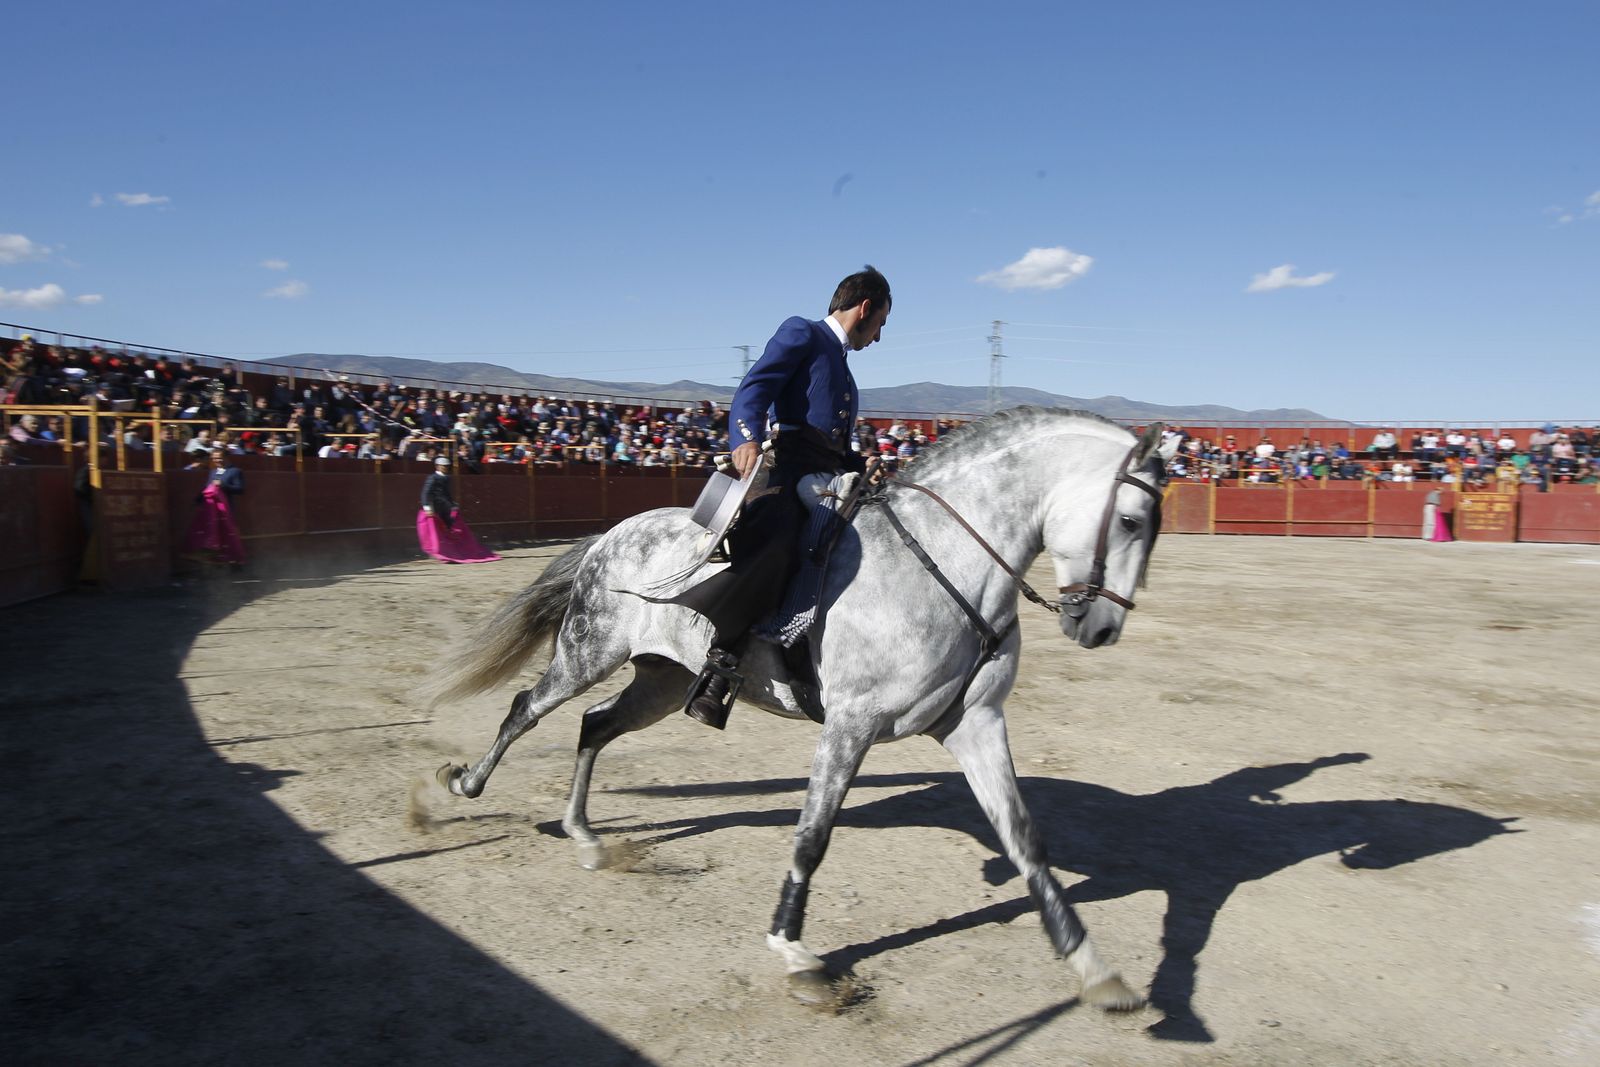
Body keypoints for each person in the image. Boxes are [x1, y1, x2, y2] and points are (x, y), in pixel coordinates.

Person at [674, 266, 890, 730]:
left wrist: (861, 462)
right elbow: (755, 387)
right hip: (786, 468)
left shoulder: (843, 369)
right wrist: (746, 437)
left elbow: (831, 444)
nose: (878, 337)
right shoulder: (803, 333)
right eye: (880, 324)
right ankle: (721, 664)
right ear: (865, 308)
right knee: (778, 541)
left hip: (825, 472)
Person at [416, 455, 500, 564]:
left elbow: (446, 494)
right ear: (437, 466)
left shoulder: (446, 477)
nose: (445, 468)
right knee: (438, 531)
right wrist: (427, 507)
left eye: (446, 466)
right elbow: (425, 493)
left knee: (450, 531)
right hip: (436, 509)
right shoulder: (432, 478)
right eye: (443, 466)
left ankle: (451, 552)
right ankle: (440, 552)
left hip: (446, 508)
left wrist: (452, 505)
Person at [184, 446, 246, 566]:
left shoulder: (235, 471)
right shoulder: (213, 472)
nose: (216, 460)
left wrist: (223, 485)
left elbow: (240, 489)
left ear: (226, 457)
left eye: (219, 458)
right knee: (210, 533)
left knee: (226, 534)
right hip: (212, 510)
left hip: (225, 509)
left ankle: (233, 561)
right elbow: (207, 488)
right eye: (214, 458)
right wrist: (198, 500)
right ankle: (215, 560)